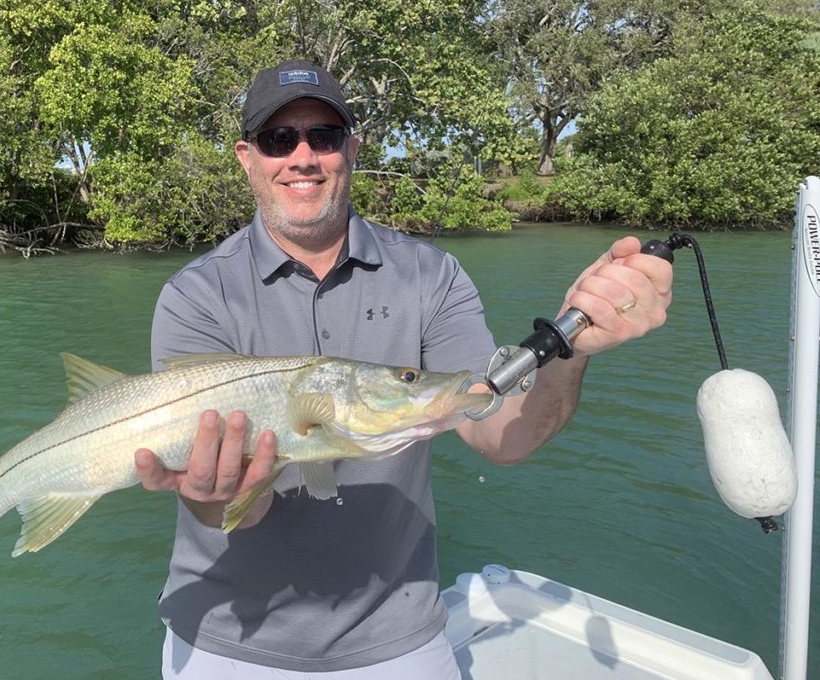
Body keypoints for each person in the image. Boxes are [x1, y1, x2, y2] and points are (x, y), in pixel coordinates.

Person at [135, 60, 673, 678]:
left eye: (325, 137)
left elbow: (500, 433)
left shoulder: (431, 275)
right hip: (225, 640)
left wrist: (570, 345)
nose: (303, 156)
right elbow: (231, 513)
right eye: (279, 139)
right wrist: (220, 494)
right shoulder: (195, 295)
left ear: (352, 151)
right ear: (247, 158)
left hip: (400, 641)